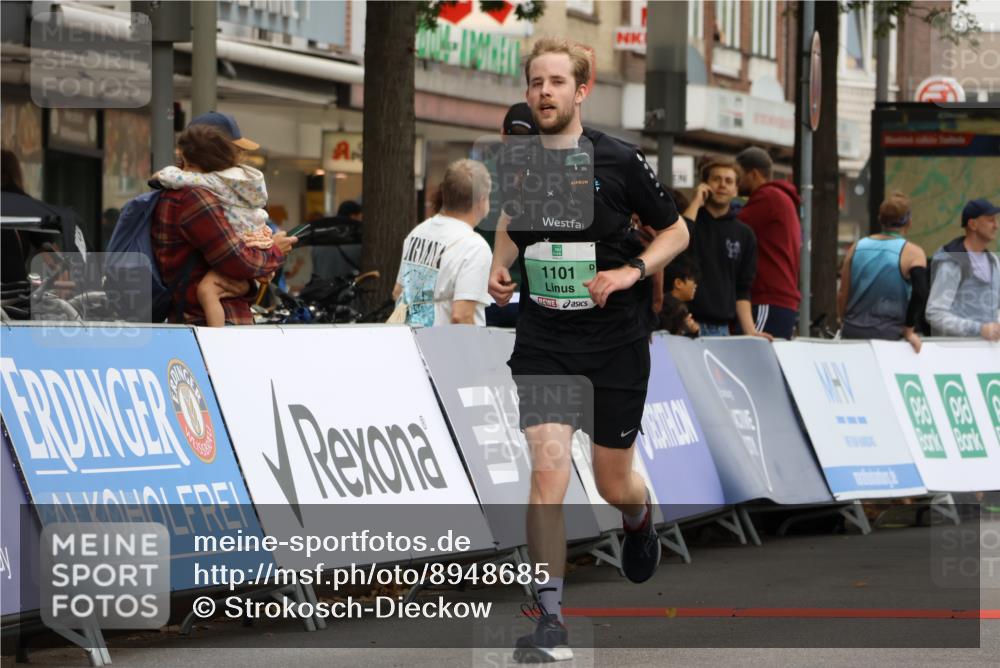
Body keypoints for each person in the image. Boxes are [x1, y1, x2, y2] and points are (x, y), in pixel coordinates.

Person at [488, 37, 688, 662]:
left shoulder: (619, 159)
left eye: (556, 82)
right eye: (535, 82)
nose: (544, 91)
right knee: (547, 475)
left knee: (610, 482)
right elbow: (511, 219)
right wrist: (500, 264)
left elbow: (676, 230)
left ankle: (639, 516)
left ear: (581, 91)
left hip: (615, 342)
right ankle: (549, 621)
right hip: (545, 340)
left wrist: (632, 271)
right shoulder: (519, 161)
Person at [151, 113, 295, 325]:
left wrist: (248, 285)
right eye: (235, 150)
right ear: (216, 153)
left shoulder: (196, 192)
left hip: (203, 318)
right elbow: (237, 261)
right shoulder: (195, 197)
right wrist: (275, 250)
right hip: (208, 323)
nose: (238, 158)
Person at [391, 159, 493, 326]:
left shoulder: (417, 232)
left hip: (408, 338)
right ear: (481, 201)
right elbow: (462, 316)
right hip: (444, 341)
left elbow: (398, 291)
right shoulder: (475, 247)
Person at [681, 158, 768, 339]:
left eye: (729, 181)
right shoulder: (691, 222)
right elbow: (678, 237)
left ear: (736, 189)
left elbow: (742, 289)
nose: (722, 185)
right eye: (716, 179)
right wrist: (696, 201)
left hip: (721, 331)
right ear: (704, 184)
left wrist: (751, 332)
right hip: (683, 326)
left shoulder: (745, 235)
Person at [837, 193, 927, 352]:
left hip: (853, 333)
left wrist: (843, 321)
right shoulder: (914, 253)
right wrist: (909, 329)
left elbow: (842, 293)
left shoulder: (856, 247)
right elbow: (920, 293)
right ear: (909, 222)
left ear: (880, 219)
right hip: (891, 337)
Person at [736, 146, 802, 339]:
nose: (736, 182)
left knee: (750, 352)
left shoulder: (767, 197)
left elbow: (733, 228)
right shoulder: (783, 199)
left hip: (767, 297)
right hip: (781, 299)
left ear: (753, 174)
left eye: (738, 176)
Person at [926, 198, 1000, 341]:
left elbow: (996, 308)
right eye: (990, 220)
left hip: (989, 352)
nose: (996, 226)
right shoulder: (952, 262)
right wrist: (979, 329)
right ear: (973, 224)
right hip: (958, 351)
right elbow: (935, 313)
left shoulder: (994, 261)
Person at [312, 200, 363, 282]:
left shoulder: (319, 242)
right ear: (353, 216)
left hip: (321, 288)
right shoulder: (358, 243)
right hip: (346, 288)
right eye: (360, 217)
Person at [660, 255, 700, 337]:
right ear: (678, 283)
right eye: (692, 280)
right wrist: (692, 330)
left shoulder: (662, 302)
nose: (695, 285)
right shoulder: (678, 308)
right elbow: (675, 339)